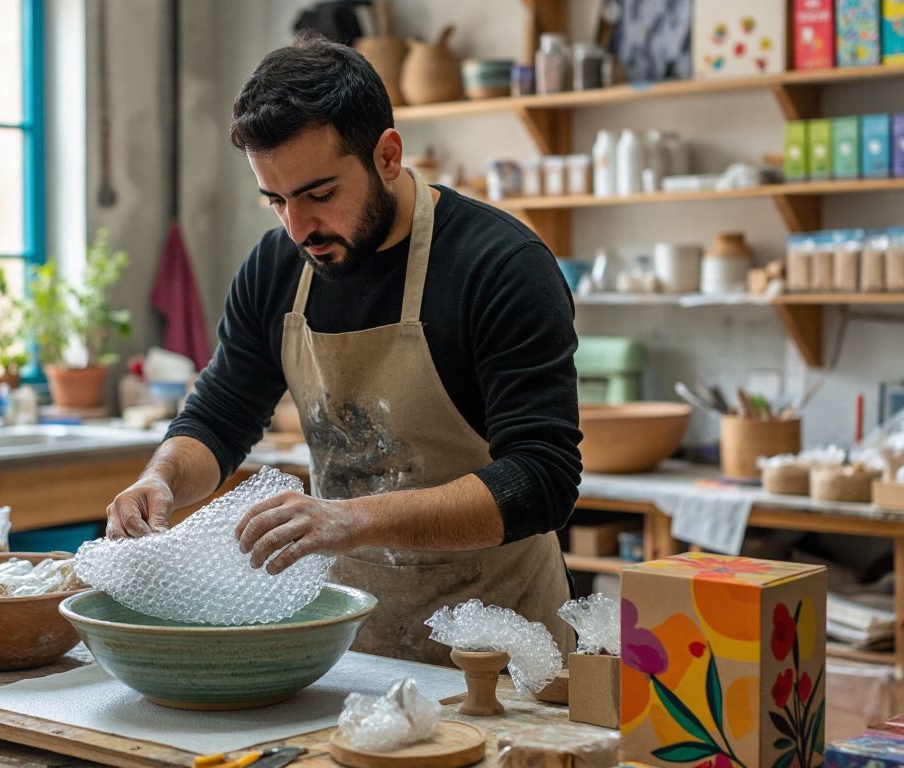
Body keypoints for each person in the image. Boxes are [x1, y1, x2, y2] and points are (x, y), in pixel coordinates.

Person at [106, 34, 580, 664]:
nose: (298, 229)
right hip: (350, 649)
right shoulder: (276, 269)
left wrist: (351, 519)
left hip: (498, 651)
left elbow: (542, 480)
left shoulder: (499, 266)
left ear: (387, 156)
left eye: (320, 194)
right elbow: (219, 417)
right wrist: (159, 477)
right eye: (276, 201)